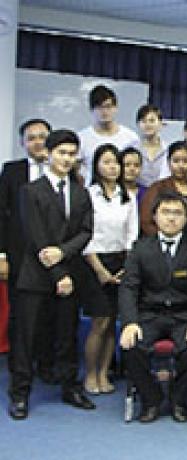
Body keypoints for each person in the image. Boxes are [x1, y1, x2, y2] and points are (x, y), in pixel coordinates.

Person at [7, 129, 95, 420]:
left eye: (72, 154)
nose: (67, 159)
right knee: (26, 337)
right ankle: (20, 394)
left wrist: (64, 254)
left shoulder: (81, 192)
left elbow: (86, 231)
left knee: (67, 335)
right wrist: (58, 272)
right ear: (49, 154)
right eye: (62, 153)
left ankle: (70, 387)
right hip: (36, 276)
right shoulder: (31, 191)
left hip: (71, 273)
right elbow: (36, 237)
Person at [119, 191, 187, 423]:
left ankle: (179, 399)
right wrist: (130, 322)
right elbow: (129, 288)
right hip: (149, 314)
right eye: (166, 212)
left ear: (186, 218)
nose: (171, 218)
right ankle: (151, 399)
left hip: (185, 314)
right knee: (131, 345)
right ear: (155, 216)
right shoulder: (140, 248)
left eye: (177, 213)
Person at [0, 119, 55, 384]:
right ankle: (19, 370)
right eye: (31, 137)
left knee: (49, 313)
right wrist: (1, 255)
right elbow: (1, 214)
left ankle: (46, 364)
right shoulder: (11, 171)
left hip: (53, 255)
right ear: (22, 143)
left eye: (43, 137)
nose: (38, 142)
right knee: (20, 315)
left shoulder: (60, 172)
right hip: (20, 255)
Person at [81, 144, 138, 396]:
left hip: (121, 262)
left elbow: (132, 235)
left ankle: (104, 373)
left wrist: (127, 265)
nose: (112, 167)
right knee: (99, 322)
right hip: (94, 261)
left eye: (116, 162)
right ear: (96, 166)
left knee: (114, 322)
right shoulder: (88, 194)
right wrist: (100, 270)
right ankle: (90, 374)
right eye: (106, 162)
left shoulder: (127, 196)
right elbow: (86, 234)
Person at [77, 84, 139, 183]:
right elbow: (75, 170)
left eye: (108, 106)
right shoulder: (82, 138)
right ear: (91, 109)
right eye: (99, 107)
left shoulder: (131, 137)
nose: (104, 111)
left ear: (116, 108)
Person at [140, 141, 187, 236]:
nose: (181, 166)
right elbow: (146, 221)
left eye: (185, 161)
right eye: (176, 161)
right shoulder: (157, 187)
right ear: (168, 162)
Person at [133, 104, 167, 188]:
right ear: (138, 124)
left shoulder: (168, 149)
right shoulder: (131, 148)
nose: (148, 124)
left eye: (152, 121)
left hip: (162, 193)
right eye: (144, 121)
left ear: (160, 124)